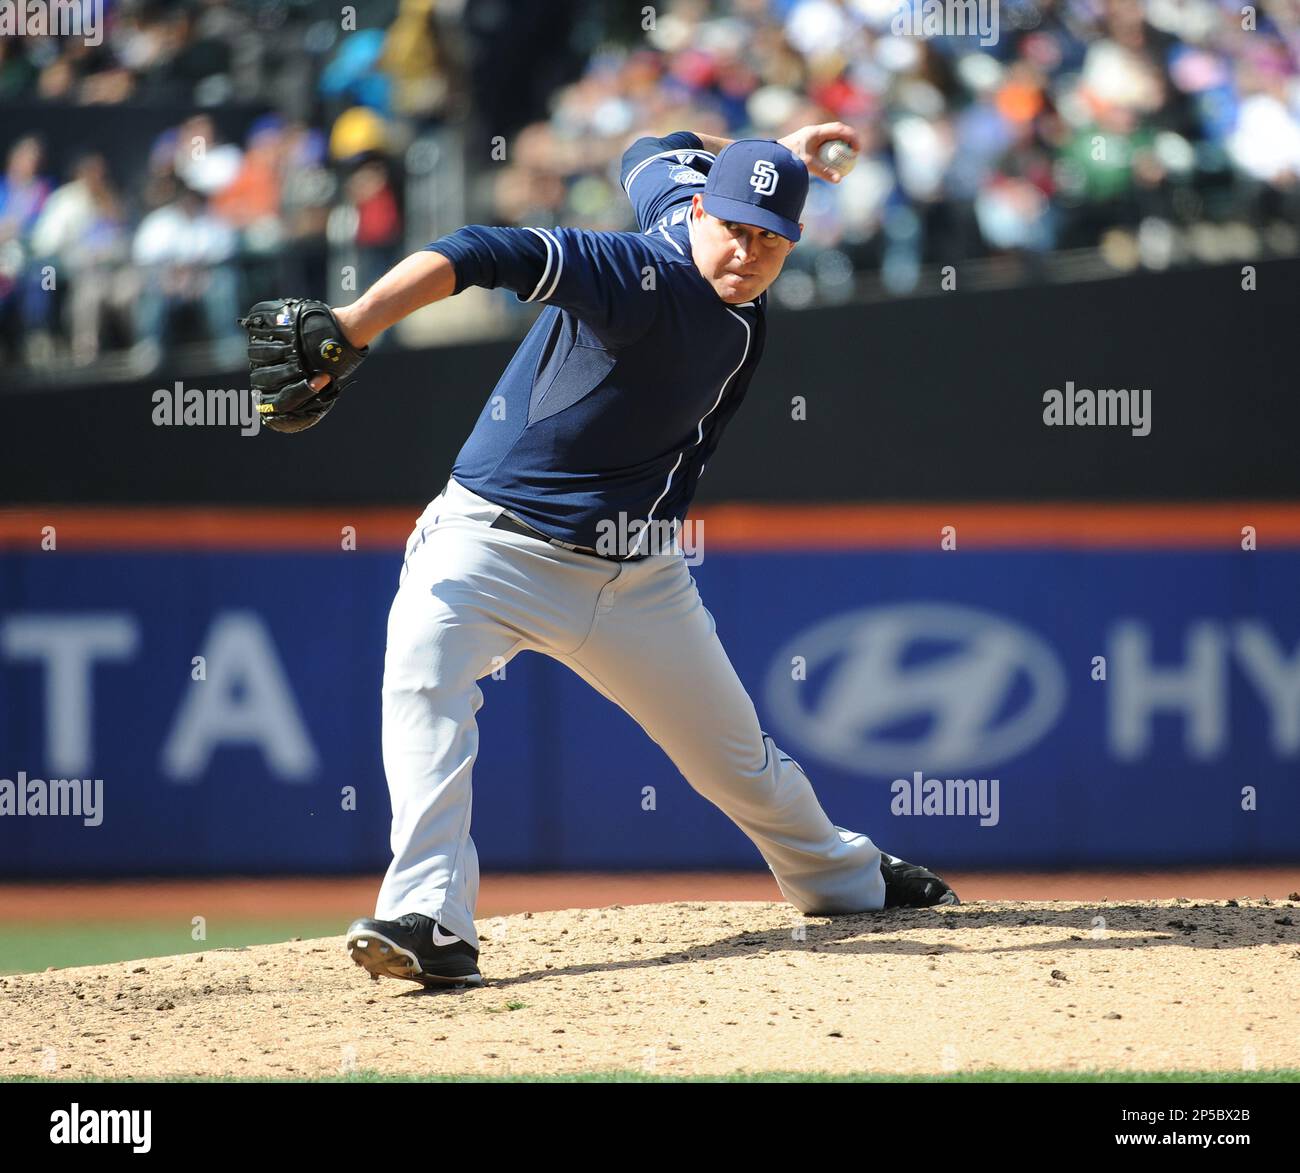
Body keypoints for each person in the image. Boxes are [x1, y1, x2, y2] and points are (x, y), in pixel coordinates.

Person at [257, 123, 959, 990]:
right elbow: (483, 248)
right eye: (735, 226)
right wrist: (356, 325)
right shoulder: (640, 272)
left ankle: (843, 879)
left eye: (770, 238)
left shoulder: (687, 199)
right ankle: (431, 915)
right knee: (421, 691)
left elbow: (649, 145)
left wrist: (769, 151)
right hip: (485, 547)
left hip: (637, 579)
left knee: (733, 758)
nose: (747, 252)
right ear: (701, 210)